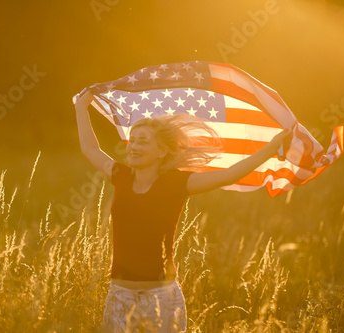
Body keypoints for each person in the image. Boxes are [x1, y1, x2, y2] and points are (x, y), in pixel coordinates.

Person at [74, 89, 292, 332]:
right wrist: (81, 107)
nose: (133, 146)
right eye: (132, 140)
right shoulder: (121, 176)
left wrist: (271, 149)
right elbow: (90, 149)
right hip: (119, 294)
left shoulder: (177, 184)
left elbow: (228, 175)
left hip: (161, 296)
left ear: (163, 150)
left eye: (143, 141)